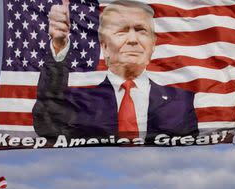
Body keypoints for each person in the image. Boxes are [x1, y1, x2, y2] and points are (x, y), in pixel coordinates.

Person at [33, 0, 198, 140]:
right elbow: (48, 124)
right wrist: (58, 47)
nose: (133, 40)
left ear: (153, 44)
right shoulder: (82, 104)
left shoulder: (180, 103)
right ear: (104, 46)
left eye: (141, 30)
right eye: (122, 31)